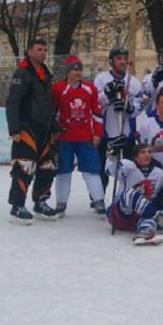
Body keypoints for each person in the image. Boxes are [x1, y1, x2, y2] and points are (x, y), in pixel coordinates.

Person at [5, 39, 59, 224]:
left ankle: (41, 202)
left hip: (45, 129)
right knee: (24, 167)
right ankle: (17, 206)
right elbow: (13, 102)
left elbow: (48, 105)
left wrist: (53, 127)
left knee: (48, 166)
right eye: (39, 49)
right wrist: (14, 129)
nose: (43, 53)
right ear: (29, 52)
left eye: (45, 49)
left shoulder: (46, 74)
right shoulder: (22, 73)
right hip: (26, 129)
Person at [52, 55, 106, 217]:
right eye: (74, 70)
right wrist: (53, 132)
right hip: (64, 138)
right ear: (67, 72)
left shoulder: (90, 89)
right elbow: (52, 113)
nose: (77, 73)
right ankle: (61, 203)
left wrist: (98, 134)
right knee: (63, 171)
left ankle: (99, 200)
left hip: (85, 138)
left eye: (80, 70)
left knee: (91, 170)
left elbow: (97, 114)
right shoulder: (58, 89)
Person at [94, 47, 142, 191]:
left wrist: (130, 108)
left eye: (124, 59)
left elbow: (139, 104)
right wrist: (108, 94)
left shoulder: (132, 81)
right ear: (111, 61)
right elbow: (95, 103)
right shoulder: (101, 78)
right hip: (106, 131)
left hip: (126, 131)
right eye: (119, 59)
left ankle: (126, 194)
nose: (123, 62)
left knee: (128, 165)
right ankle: (98, 195)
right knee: (101, 165)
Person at [106, 144, 163, 245]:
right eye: (143, 152)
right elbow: (110, 171)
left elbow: (155, 197)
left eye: (149, 152)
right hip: (121, 213)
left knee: (156, 211)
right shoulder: (129, 166)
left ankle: (145, 232)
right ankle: (158, 217)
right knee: (130, 194)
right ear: (135, 157)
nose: (147, 155)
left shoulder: (158, 173)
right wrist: (114, 158)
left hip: (139, 216)